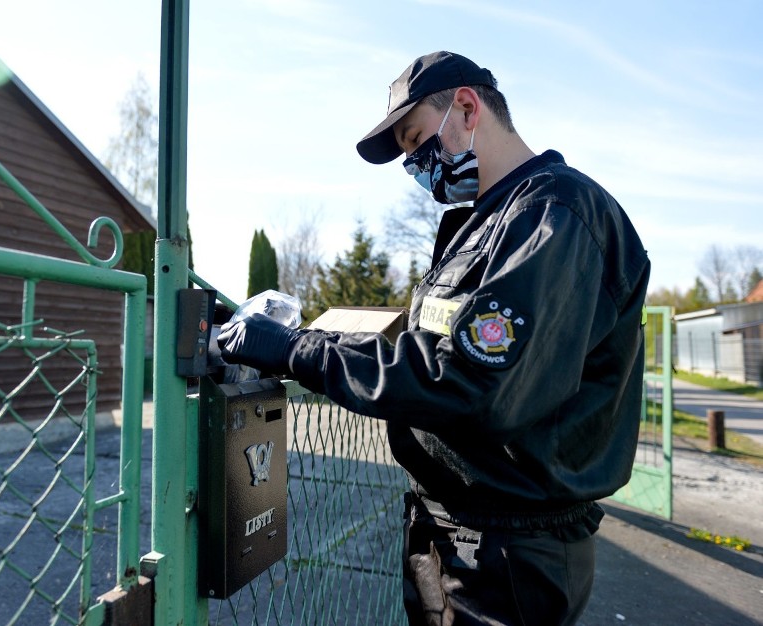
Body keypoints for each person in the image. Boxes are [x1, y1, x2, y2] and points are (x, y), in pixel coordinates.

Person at [218, 50, 650, 626]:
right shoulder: (483, 223)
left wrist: (296, 350)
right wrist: (295, 337)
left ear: (467, 108)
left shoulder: (554, 214)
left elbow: (472, 380)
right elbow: (422, 347)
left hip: (510, 549)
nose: (416, 167)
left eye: (418, 141)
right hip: (448, 528)